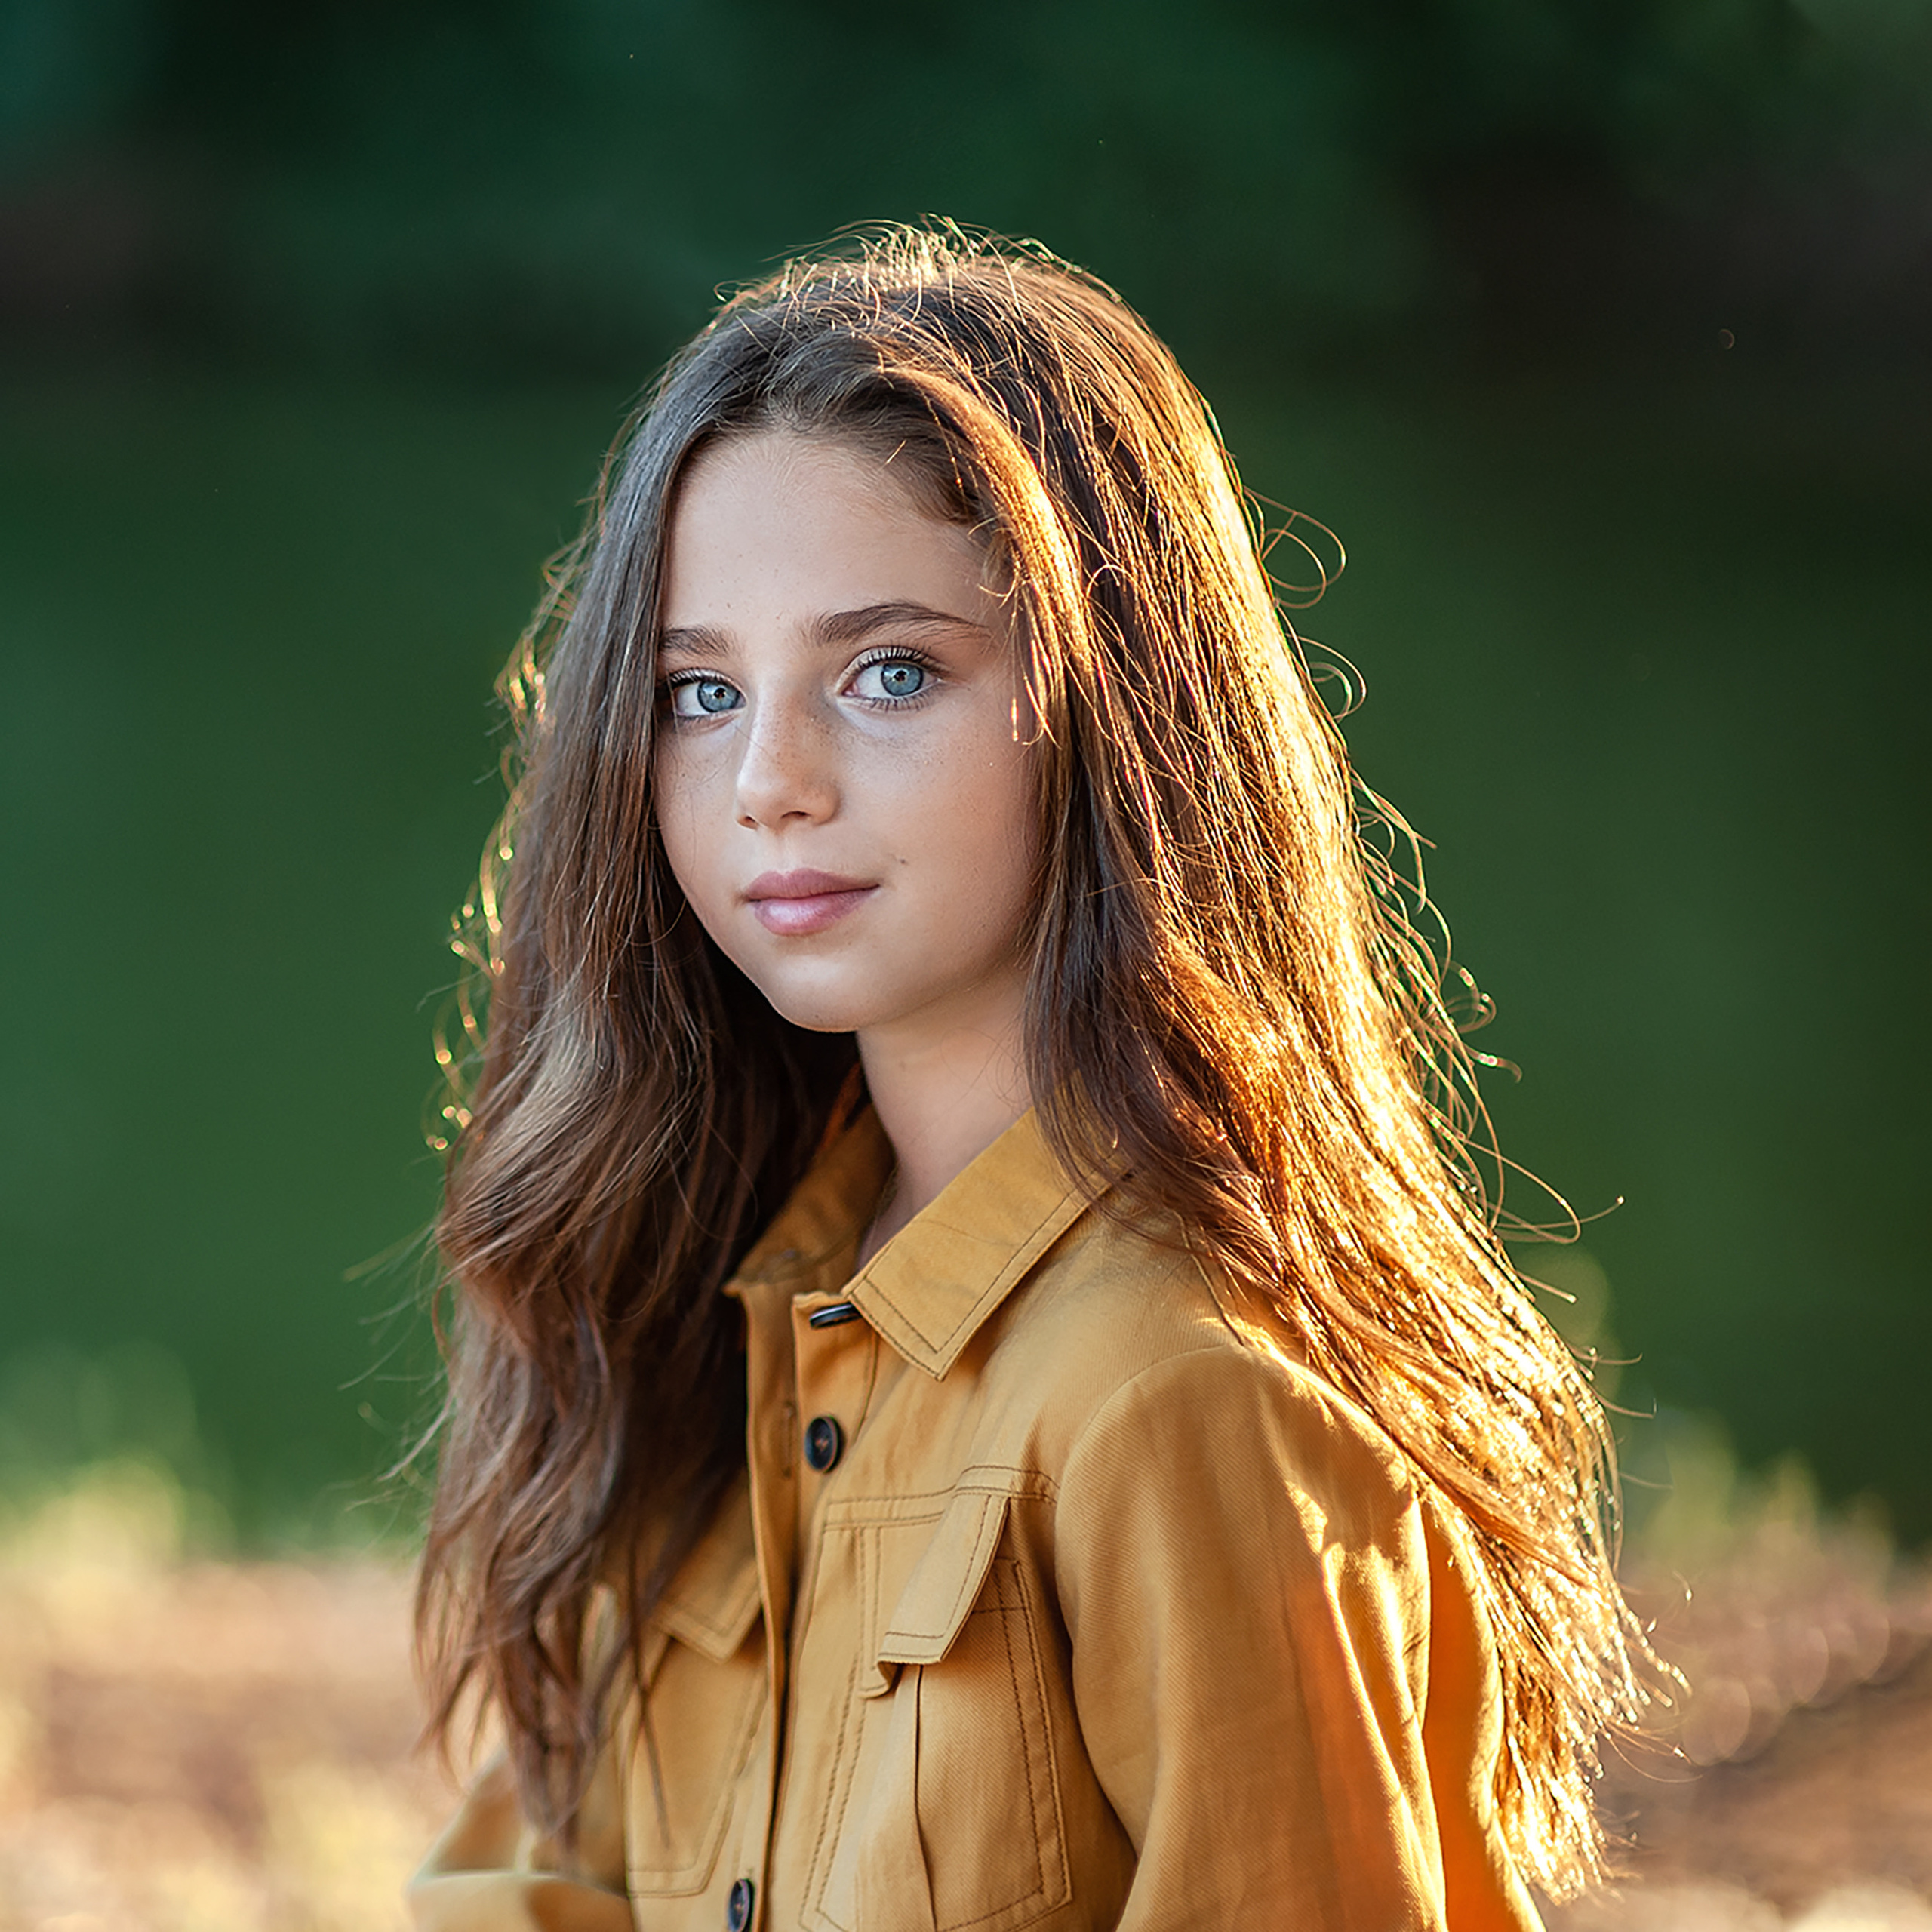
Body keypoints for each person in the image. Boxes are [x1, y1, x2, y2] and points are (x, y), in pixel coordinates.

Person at [407, 226, 1655, 1932]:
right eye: (698, 690)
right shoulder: (713, 1306)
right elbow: (528, 1881)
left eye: (889, 670)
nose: (767, 778)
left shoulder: (1178, 1386)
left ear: (1111, 706)